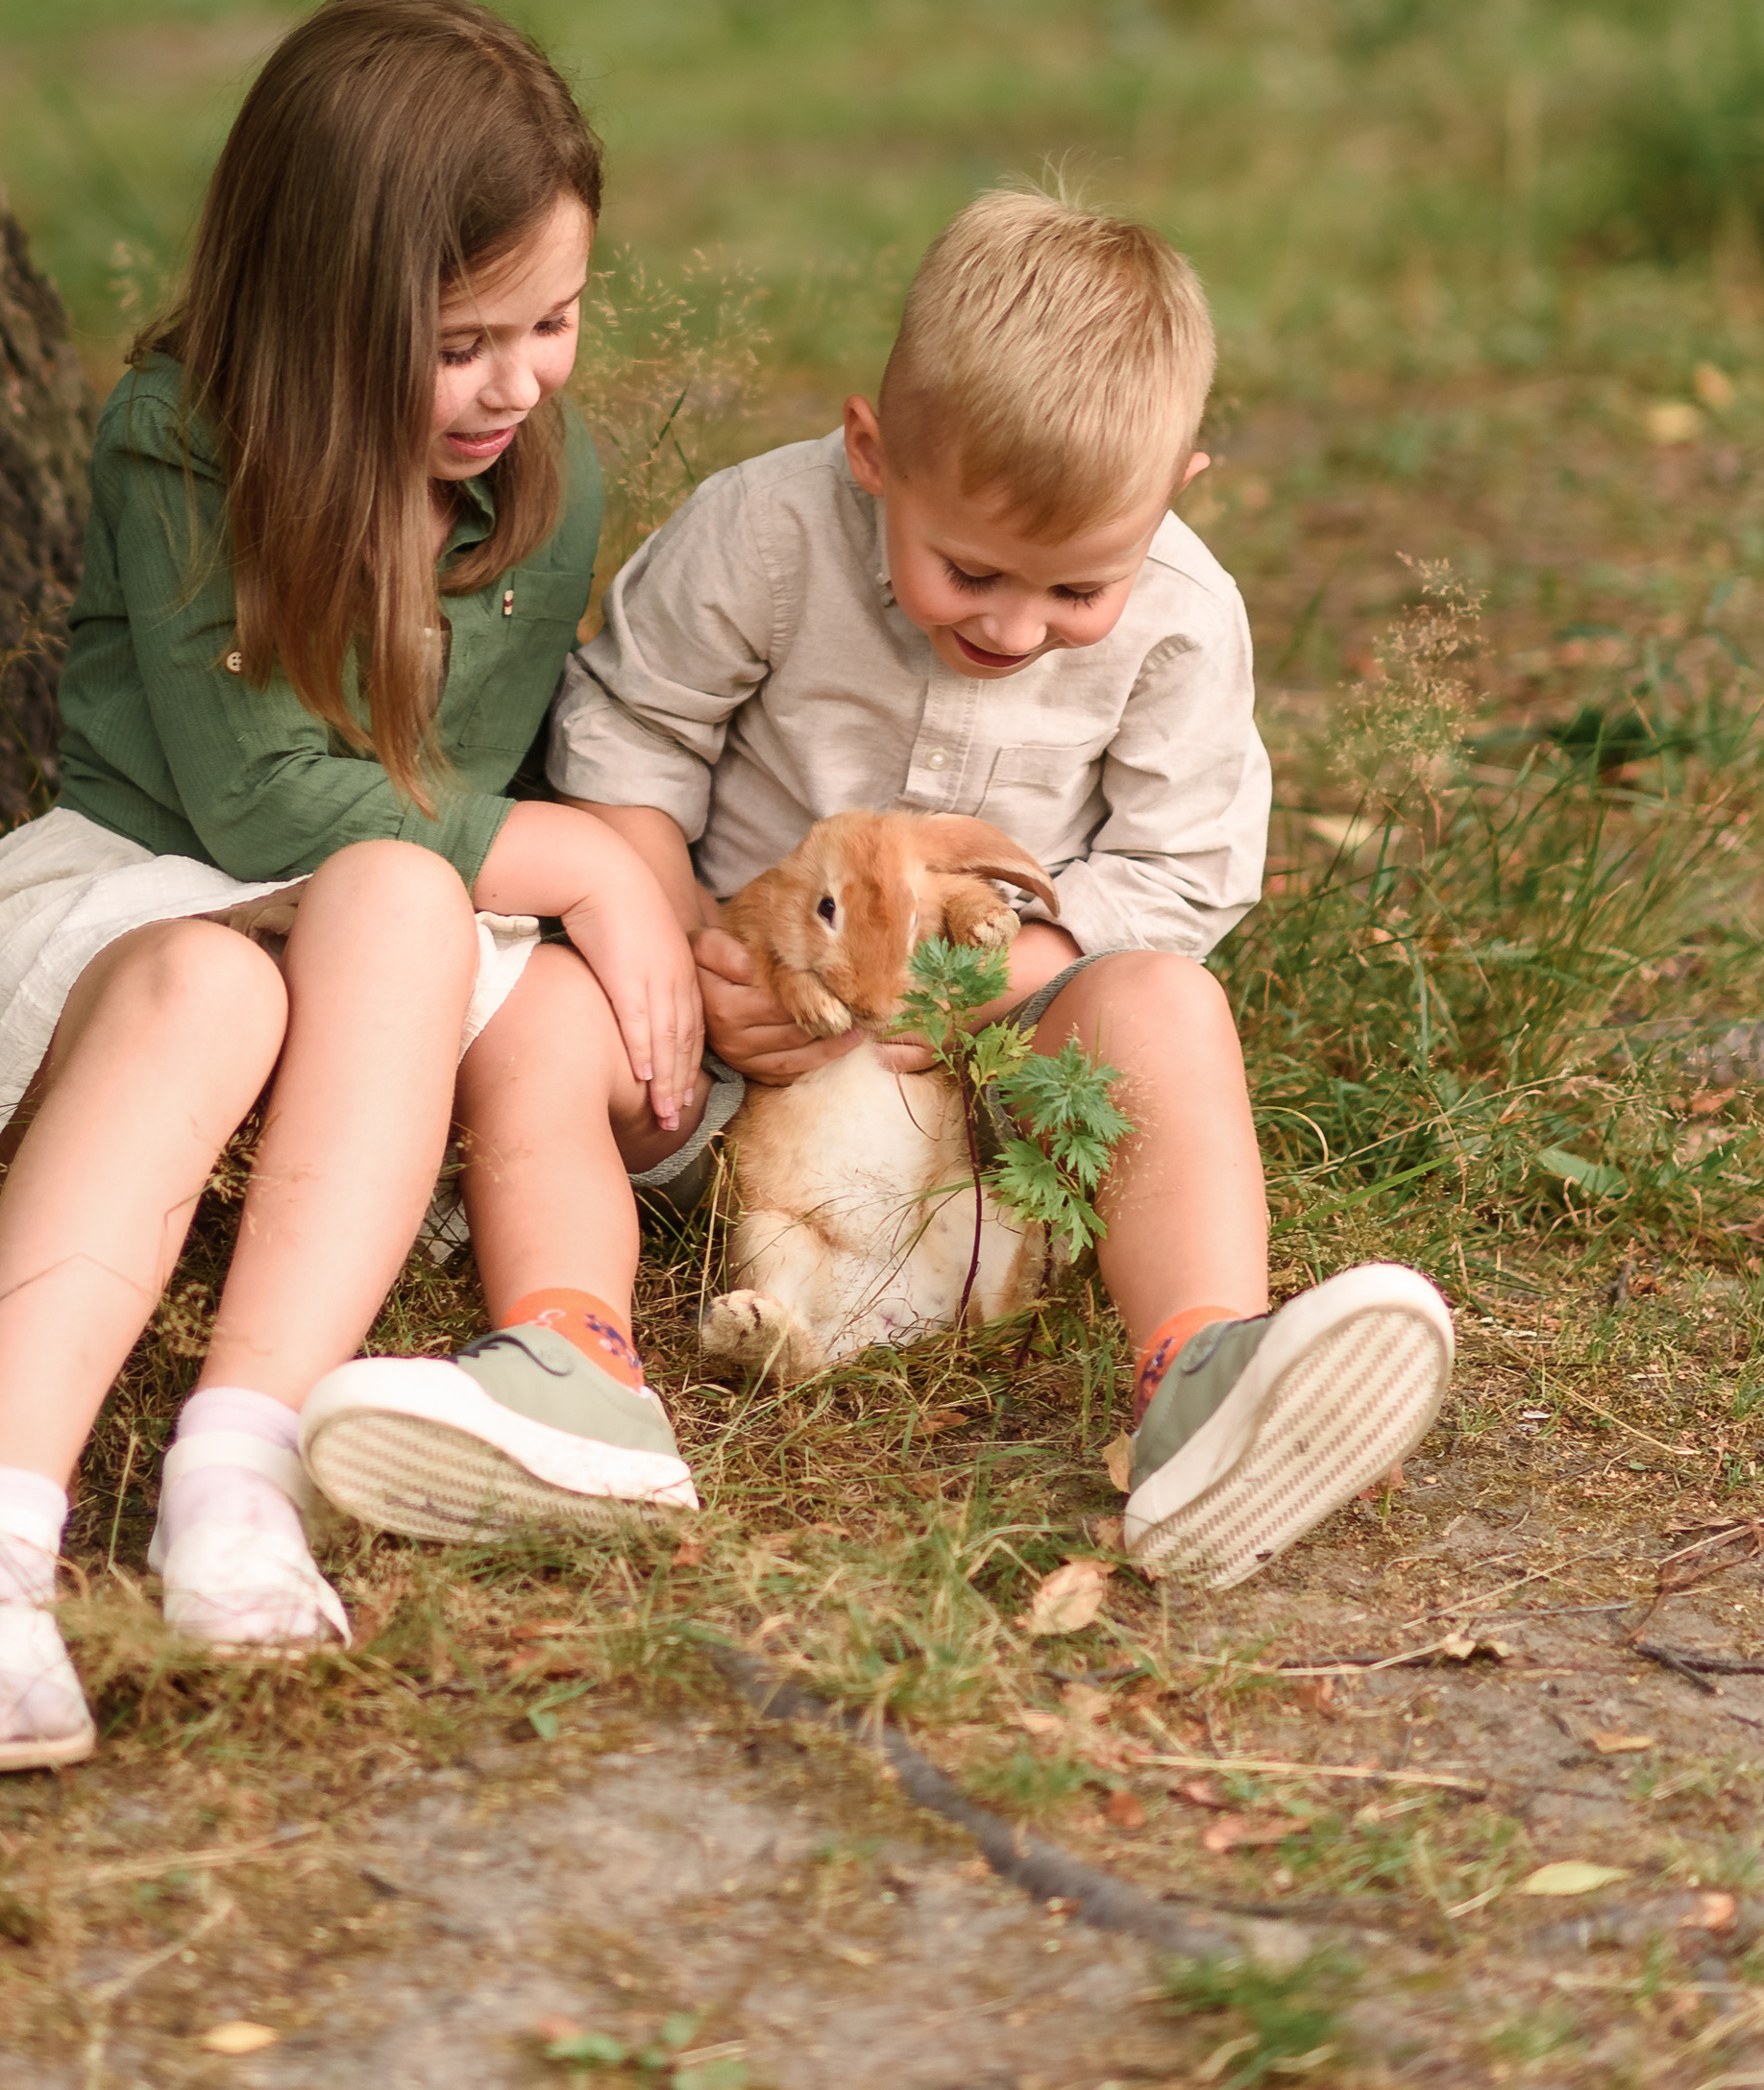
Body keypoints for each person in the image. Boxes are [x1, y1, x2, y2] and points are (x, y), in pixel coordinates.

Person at [0, 0, 712, 1774]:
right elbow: (253, 803)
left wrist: (627, 892)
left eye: (552, 320)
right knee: (217, 981)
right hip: (146, 883)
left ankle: (237, 1462)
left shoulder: (548, 494)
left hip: (393, 923)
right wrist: (578, 861)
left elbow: (441, 811)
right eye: (463, 338)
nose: (517, 381)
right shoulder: (184, 442)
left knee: (414, 902)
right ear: (316, 312)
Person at [540, 188, 1455, 1592]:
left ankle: (1202, 1373)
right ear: (872, 451)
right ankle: (566, 1368)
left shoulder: (1184, 618)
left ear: (1177, 493)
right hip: (729, 1047)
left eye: (1076, 589)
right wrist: (685, 951)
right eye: (966, 569)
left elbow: (1183, 864)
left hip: (989, 1085)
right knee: (544, 1016)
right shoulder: (764, 533)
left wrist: (995, 988)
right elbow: (627, 728)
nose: (1017, 625)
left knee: (1163, 1004)